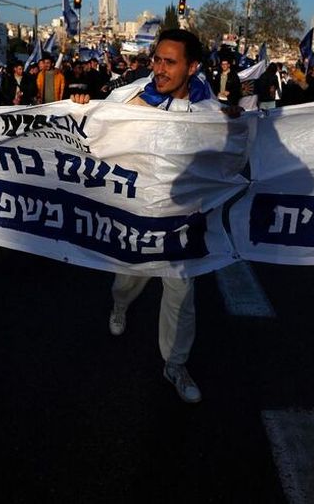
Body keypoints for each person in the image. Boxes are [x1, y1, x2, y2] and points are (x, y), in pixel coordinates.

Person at [70, 29, 240, 404]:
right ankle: (120, 304)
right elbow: (90, 132)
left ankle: (175, 364)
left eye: (170, 62)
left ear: (192, 67)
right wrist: (82, 105)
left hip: (181, 224)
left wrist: (236, 126)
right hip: (135, 218)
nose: (159, 69)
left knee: (181, 294)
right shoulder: (129, 98)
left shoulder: (209, 111)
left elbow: (230, 161)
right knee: (127, 279)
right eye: (157, 60)